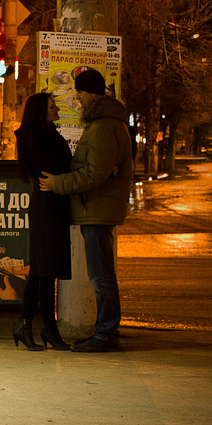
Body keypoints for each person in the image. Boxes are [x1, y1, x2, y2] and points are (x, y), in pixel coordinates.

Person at [40, 69, 133, 352]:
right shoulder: (105, 123)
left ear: (93, 93)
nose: (76, 97)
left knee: (100, 275)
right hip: (96, 206)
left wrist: (58, 183)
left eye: (80, 92)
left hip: (98, 208)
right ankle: (104, 332)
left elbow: (94, 174)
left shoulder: (104, 126)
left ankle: (106, 334)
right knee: (101, 273)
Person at [13, 92, 74, 351]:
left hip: (54, 204)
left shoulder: (47, 133)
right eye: (53, 106)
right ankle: (45, 327)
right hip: (46, 204)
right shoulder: (35, 137)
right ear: (40, 111)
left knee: (44, 271)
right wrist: (69, 173)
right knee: (44, 270)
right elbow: (52, 168)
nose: (57, 108)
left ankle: (29, 326)